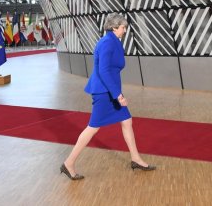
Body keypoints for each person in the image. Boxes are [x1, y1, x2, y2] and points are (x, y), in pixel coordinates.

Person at [60, 13, 155, 180]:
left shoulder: (114, 41)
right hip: (104, 92)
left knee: (127, 121)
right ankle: (68, 163)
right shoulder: (106, 43)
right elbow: (103, 71)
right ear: (114, 28)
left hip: (111, 90)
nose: (125, 30)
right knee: (93, 127)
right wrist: (118, 95)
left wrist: (117, 93)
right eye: (123, 27)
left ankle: (136, 159)